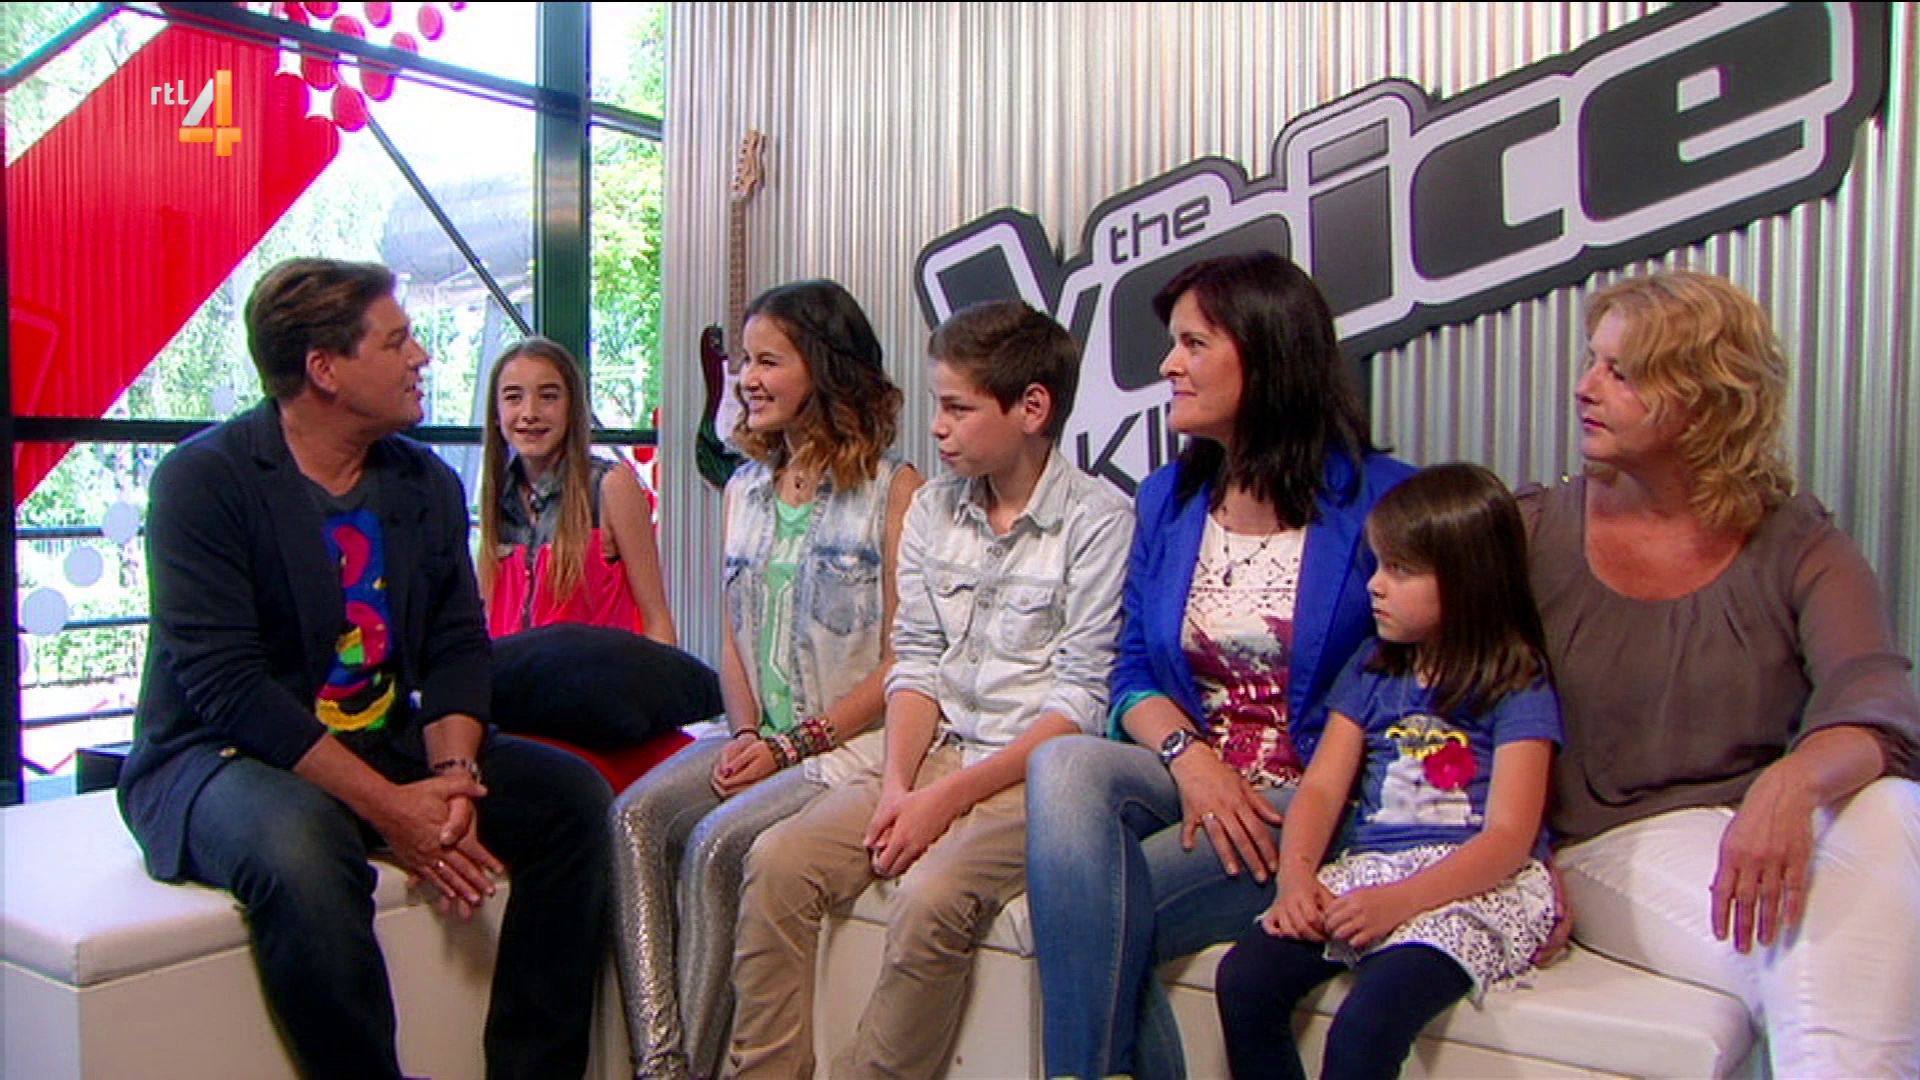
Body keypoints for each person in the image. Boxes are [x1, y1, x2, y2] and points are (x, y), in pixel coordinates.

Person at [116, 258, 612, 1079]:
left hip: (381, 738)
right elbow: (230, 688)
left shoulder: (421, 481)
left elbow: (456, 643)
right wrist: (391, 810)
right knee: (301, 846)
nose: (421, 357)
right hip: (221, 755)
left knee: (572, 799)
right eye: (396, 341)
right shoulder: (205, 481)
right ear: (325, 369)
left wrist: (453, 779)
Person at [1024, 251, 1416, 1080]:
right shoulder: (1168, 497)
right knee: (1064, 763)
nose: (1169, 365)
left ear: (1269, 354)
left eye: (1194, 344)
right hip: (1198, 780)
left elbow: (1444, 686)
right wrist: (1190, 758)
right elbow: (1132, 668)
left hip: (1312, 800)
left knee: (1097, 920)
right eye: (1174, 343)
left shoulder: (1386, 500)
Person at [1522, 270, 1920, 1075]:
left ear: (1703, 401)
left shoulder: (1796, 542)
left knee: (1895, 807)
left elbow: (1877, 702)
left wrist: (1792, 783)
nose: (1585, 387)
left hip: (1761, 826)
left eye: (1621, 373)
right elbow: (1447, 705)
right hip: (1610, 840)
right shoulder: (1529, 533)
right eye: (1593, 361)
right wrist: (1513, 854)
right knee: (1825, 939)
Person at [728, 299, 1134, 1079]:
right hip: (931, 750)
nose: (937, 428)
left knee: (930, 894)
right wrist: (897, 786)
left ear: (1032, 408)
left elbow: (1079, 704)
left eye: (957, 408)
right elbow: (913, 661)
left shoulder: (1098, 519)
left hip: (1032, 775)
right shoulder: (935, 510)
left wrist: (942, 802)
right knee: (778, 860)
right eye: (936, 405)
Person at [608, 280, 921, 1080]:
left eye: (767, 361)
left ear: (825, 366)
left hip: (842, 749)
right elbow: (734, 636)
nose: (747, 379)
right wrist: (748, 733)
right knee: (634, 818)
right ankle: (663, 1065)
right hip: (753, 735)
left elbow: (904, 661)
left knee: (718, 847)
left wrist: (788, 747)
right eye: (745, 361)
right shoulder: (743, 488)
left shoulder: (895, 491)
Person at [1215, 463, 1561, 1080]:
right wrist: (1297, 881)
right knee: (1245, 979)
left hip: (1469, 886)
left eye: (1400, 570)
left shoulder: (1516, 679)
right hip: (1374, 868)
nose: (1375, 586)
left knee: (1366, 1026)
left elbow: (1509, 837)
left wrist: (1401, 903)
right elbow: (1322, 788)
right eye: (1378, 565)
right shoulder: (1373, 668)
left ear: (1467, 579)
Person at [478, 336, 677, 644]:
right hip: (512, 673)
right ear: (496, 412)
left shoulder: (611, 486)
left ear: (572, 407)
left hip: (600, 673)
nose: (530, 412)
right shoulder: (498, 496)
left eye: (548, 397)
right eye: (513, 397)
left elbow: (657, 620)